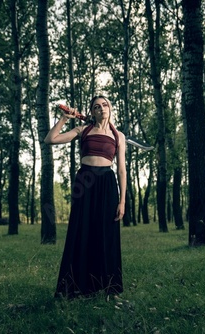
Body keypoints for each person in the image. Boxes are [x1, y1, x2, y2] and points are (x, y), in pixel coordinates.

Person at [44, 95, 127, 299]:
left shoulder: (119, 136)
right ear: (92, 112)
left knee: (107, 234)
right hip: (86, 181)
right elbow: (50, 139)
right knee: (81, 230)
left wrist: (122, 200)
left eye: (104, 104)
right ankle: (75, 287)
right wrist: (64, 119)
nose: (101, 108)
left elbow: (122, 170)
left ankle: (110, 288)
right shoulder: (83, 130)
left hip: (107, 183)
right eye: (96, 106)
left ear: (110, 108)